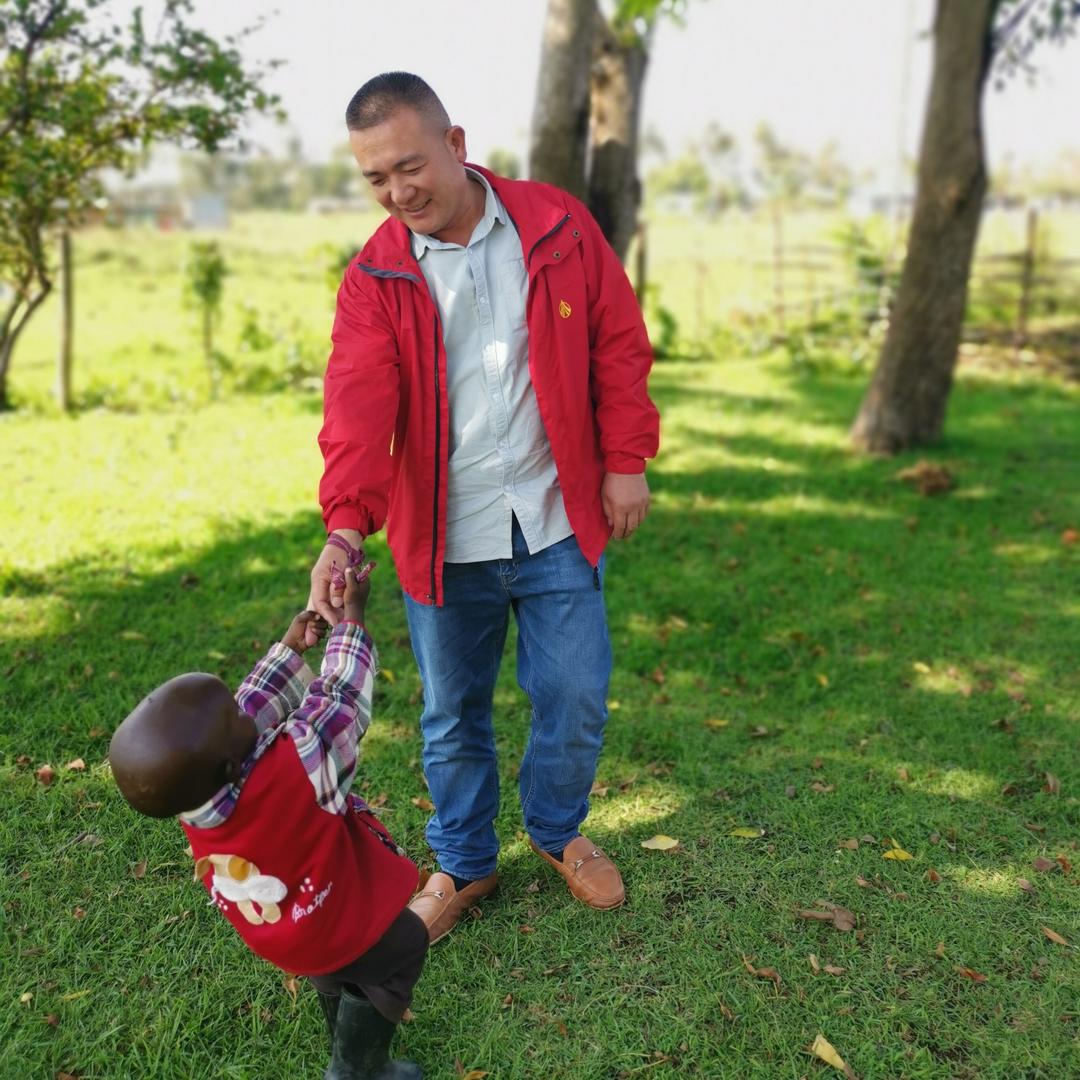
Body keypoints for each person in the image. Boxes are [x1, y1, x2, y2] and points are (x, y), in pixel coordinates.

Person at [308, 71, 660, 944]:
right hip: (444, 538)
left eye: (410, 166)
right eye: (376, 179)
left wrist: (626, 462)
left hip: (554, 517)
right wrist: (346, 528)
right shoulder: (376, 277)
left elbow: (616, 344)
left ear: (456, 144)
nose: (398, 192)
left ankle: (556, 830)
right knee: (451, 711)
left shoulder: (556, 225)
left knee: (575, 691)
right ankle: (463, 862)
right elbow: (356, 409)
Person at [110, 566, 427, 1080]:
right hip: (335, 913)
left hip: (288, 928)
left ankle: (340, 1019)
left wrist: (289, 650)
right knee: (404, 943)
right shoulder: (297, 767)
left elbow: (244, 716)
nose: (241, 711)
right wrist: (353, 621)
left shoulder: (197, 799)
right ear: (231, 761)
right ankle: (358, 1067)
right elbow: (340, 702)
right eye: (231, 716)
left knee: (334, 968)